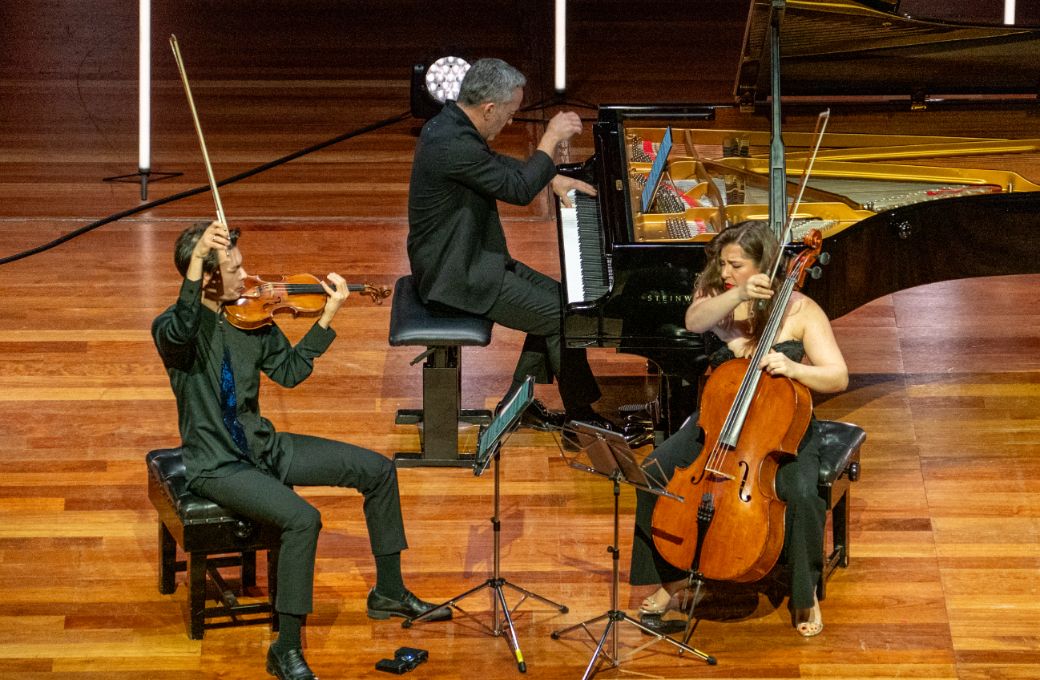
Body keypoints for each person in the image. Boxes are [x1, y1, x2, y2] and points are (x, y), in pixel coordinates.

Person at [152, 221, 450, 680]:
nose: (249, 275)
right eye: (234, 268)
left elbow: (290, 372)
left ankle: (389, 591)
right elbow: (185, 320)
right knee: (303, 519)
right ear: (207, 277)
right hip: (218, 466)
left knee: (377, 470)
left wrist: (327, 317)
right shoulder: (175, 332)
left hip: (263, 447)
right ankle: (285, 648)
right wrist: (195, 264)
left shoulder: (249, 318)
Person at [628, 220, 848, 638]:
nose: (725, 271)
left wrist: (793, 367)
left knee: (800, 492)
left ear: (763, 266)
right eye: (722, 263)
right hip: (719, 422)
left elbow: (837, 376)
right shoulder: (720, 294)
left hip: (782, 429)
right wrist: (738, 293)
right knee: (652, 471)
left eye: (736, 265)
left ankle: (805, 592)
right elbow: (694, 321)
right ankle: (671, 579)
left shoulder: (800, 311)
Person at [407, 57, 609, 430]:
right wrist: (549, 140)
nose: (512, 120)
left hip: (470, 258)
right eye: (510, 113)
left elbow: (497, 166)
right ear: (489, 108)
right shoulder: (454, 143)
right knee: (562, 317)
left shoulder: (451, 125)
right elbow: (516, 190)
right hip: (456, 275)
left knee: (564, 302)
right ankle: (581, 419)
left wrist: (552, 178)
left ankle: (518, 407)